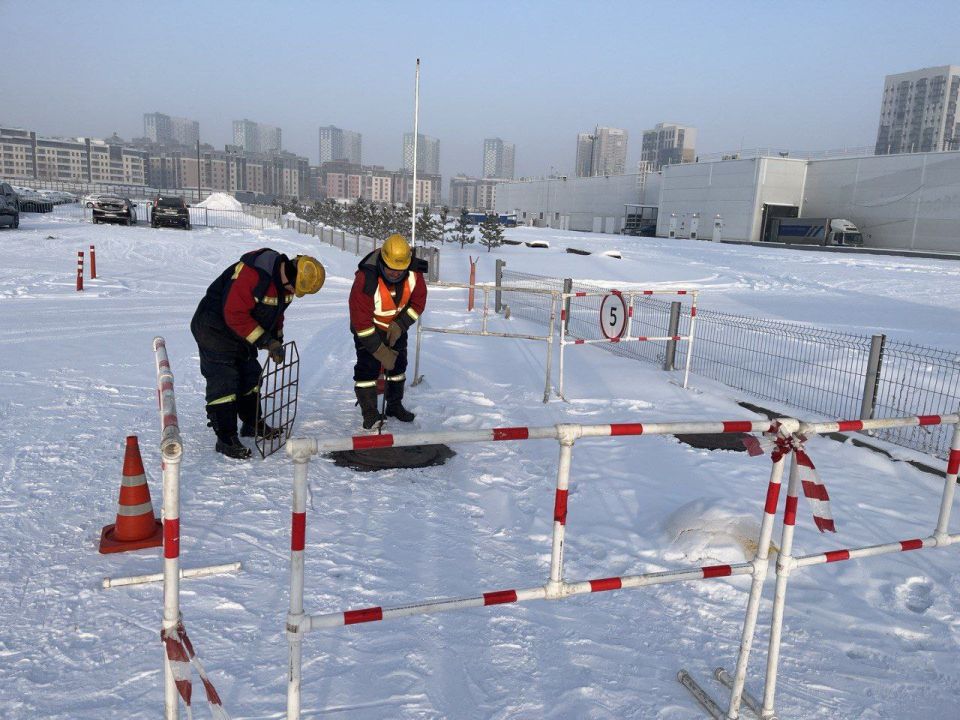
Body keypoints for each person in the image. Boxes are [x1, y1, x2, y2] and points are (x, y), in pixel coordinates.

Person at [191, 249, 325, 458]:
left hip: (241, 332)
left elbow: (277, 313)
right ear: (291, 274)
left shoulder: (285, 286)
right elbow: (234, 313)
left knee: (251, 376)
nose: (294, 292)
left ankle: (252, 424)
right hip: (214, 328)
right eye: (295, 287)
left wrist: (277, 340)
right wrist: (266, 341)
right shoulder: (254, 274)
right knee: (224, 381)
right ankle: (226, 438)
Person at [349, 234, 427, 429]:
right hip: (369, 328)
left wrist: (401, 324)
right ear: (383, 261)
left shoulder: (414, 273)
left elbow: (418, 303)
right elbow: (361, 322)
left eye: (399, 270)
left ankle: (394, 405)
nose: (394, 274)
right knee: (368, 368)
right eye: (390, 269)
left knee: (398, 367)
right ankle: (370, 414)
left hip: (396, 327)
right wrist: (380, 351)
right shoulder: (366, 278)